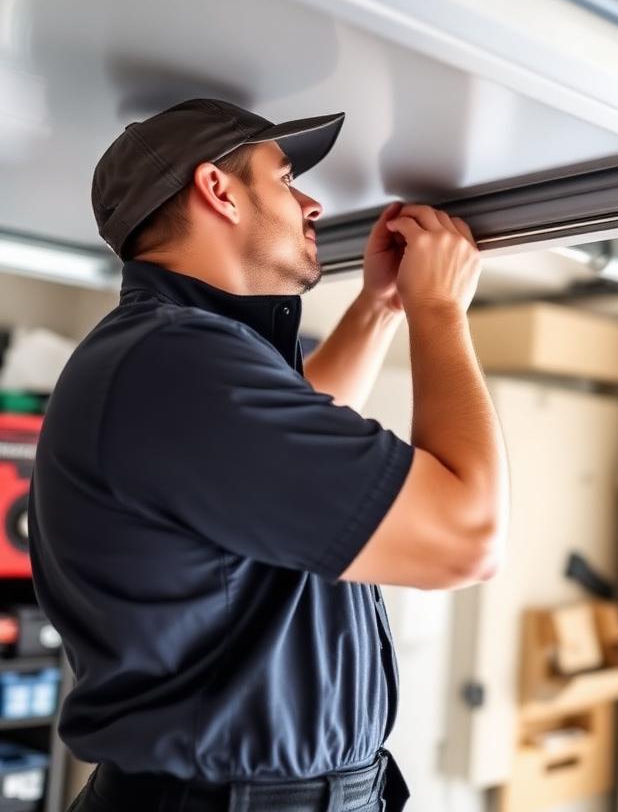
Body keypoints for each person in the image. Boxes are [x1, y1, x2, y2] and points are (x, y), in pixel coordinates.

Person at [28, 98, 510, 812]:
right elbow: (466, 537)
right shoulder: (174, 365)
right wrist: (439, 312)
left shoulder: (166, 358)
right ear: (216, 192)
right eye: (285, 178)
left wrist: (381, 308)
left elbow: (291, 455)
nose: (312, 204)